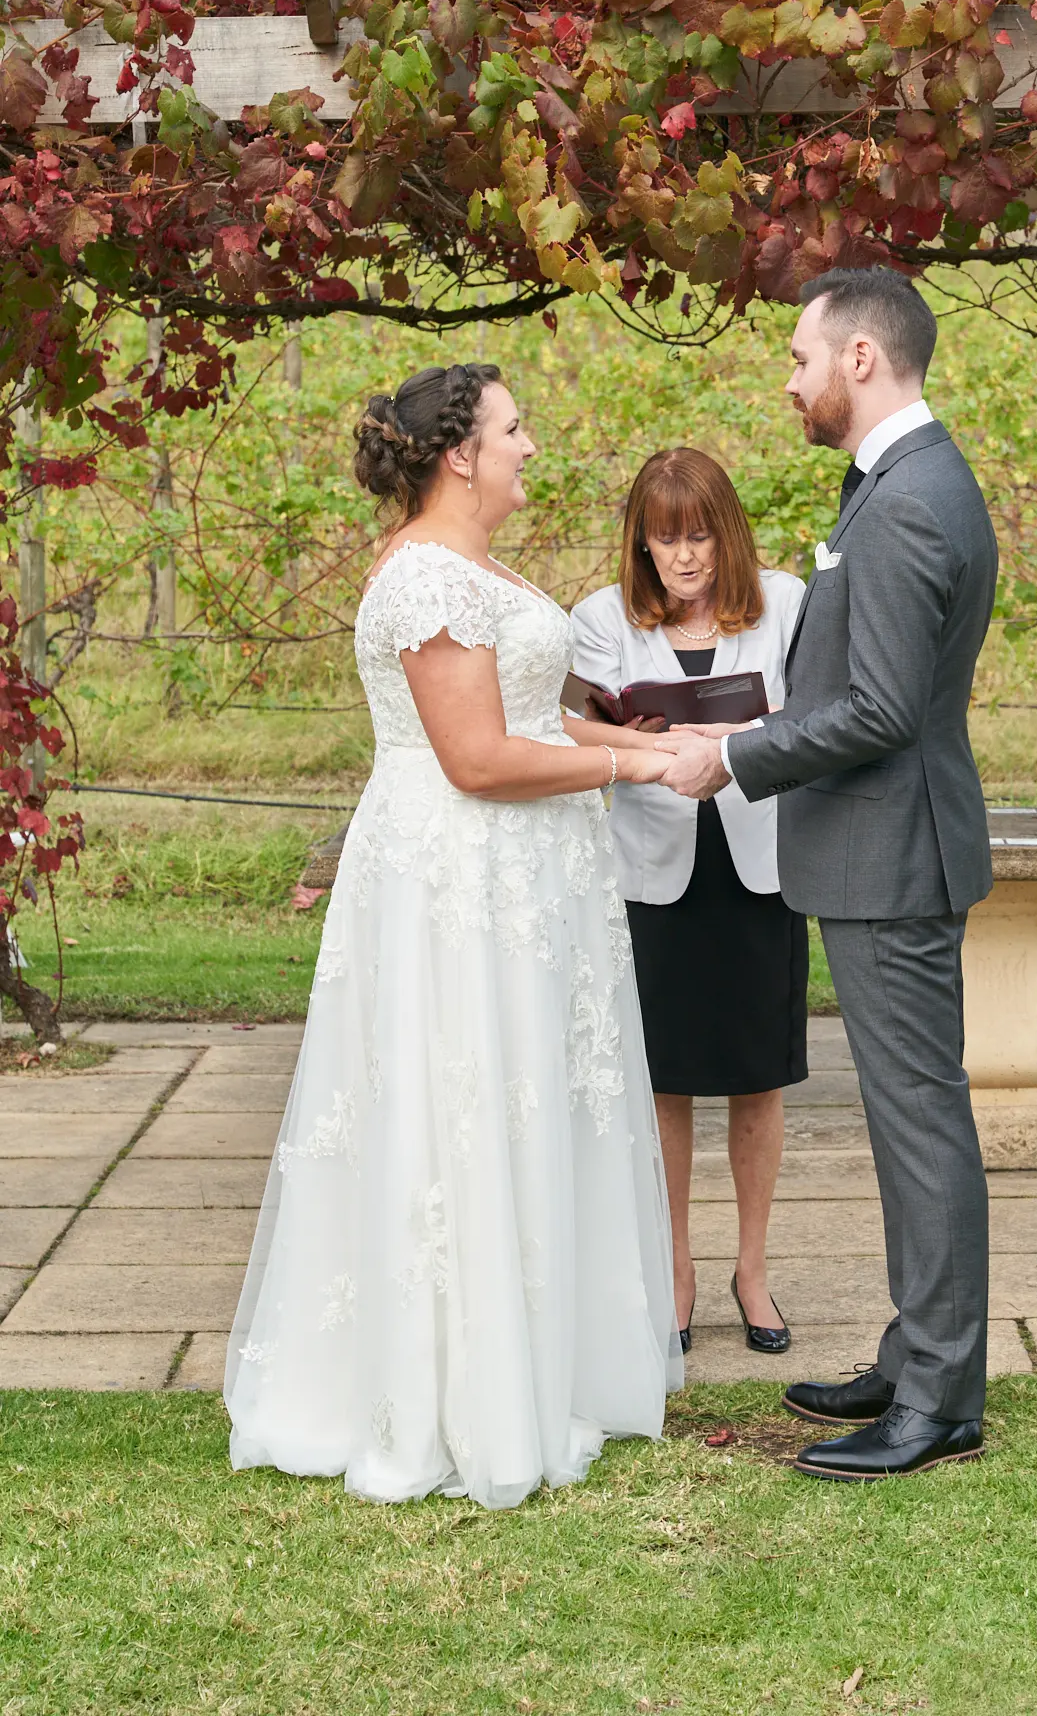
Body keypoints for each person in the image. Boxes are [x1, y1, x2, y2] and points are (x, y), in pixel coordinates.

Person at [225, 362, 682, 1509]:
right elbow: (474, 758)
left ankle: (540, 1358)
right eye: (514, 428)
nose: (532, 443)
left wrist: (626, 732)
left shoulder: (473, 565)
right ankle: (458, 1393)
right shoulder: (425, 577)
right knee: (463, 1103)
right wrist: (626, 762)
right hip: (460, 877)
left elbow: (524, 713)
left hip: (525, 874)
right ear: (459, 453)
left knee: (527, 1096)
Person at [659, 267, 998, 1482]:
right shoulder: (903, 482)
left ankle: (940, 1399)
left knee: (920, 1125)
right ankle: (916, 1357)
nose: (790, 380)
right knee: (911, 1119)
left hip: (891, 853)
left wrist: (733, 756)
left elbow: (881, 705)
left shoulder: (908, 501)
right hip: (881, 849)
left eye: (801, 358)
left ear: (861, 359)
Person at [569, 450, 807, 1359]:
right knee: (663, 1080)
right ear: (641, 543)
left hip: (759, 866)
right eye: (665, 539)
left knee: (758, 1074)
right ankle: (675, 1270)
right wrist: (685, 740)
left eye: (700, 534)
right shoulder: (599, 619)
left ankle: (752, 1268)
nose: (686, 557)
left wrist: (717, 735)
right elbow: (581, 727)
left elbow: (807, 714)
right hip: (654, 873)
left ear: (727, 533)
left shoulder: (783, 603)